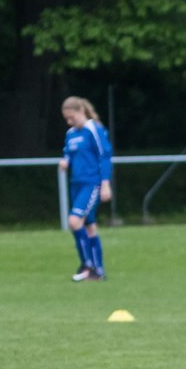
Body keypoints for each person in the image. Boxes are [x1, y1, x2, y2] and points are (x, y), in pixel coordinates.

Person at [59, 96, 113, 281]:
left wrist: (105, 184)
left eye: (71, 117)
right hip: (76, 184)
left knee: (74, 221)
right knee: (90, 227)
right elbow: (68, 152)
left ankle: (87, 265)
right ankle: (98, 271)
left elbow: (104, 156)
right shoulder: (71, 134)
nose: (69, 121)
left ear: (81, 111)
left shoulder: (94, 129)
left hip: (92, 184)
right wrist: (65, 161)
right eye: (66, 118)